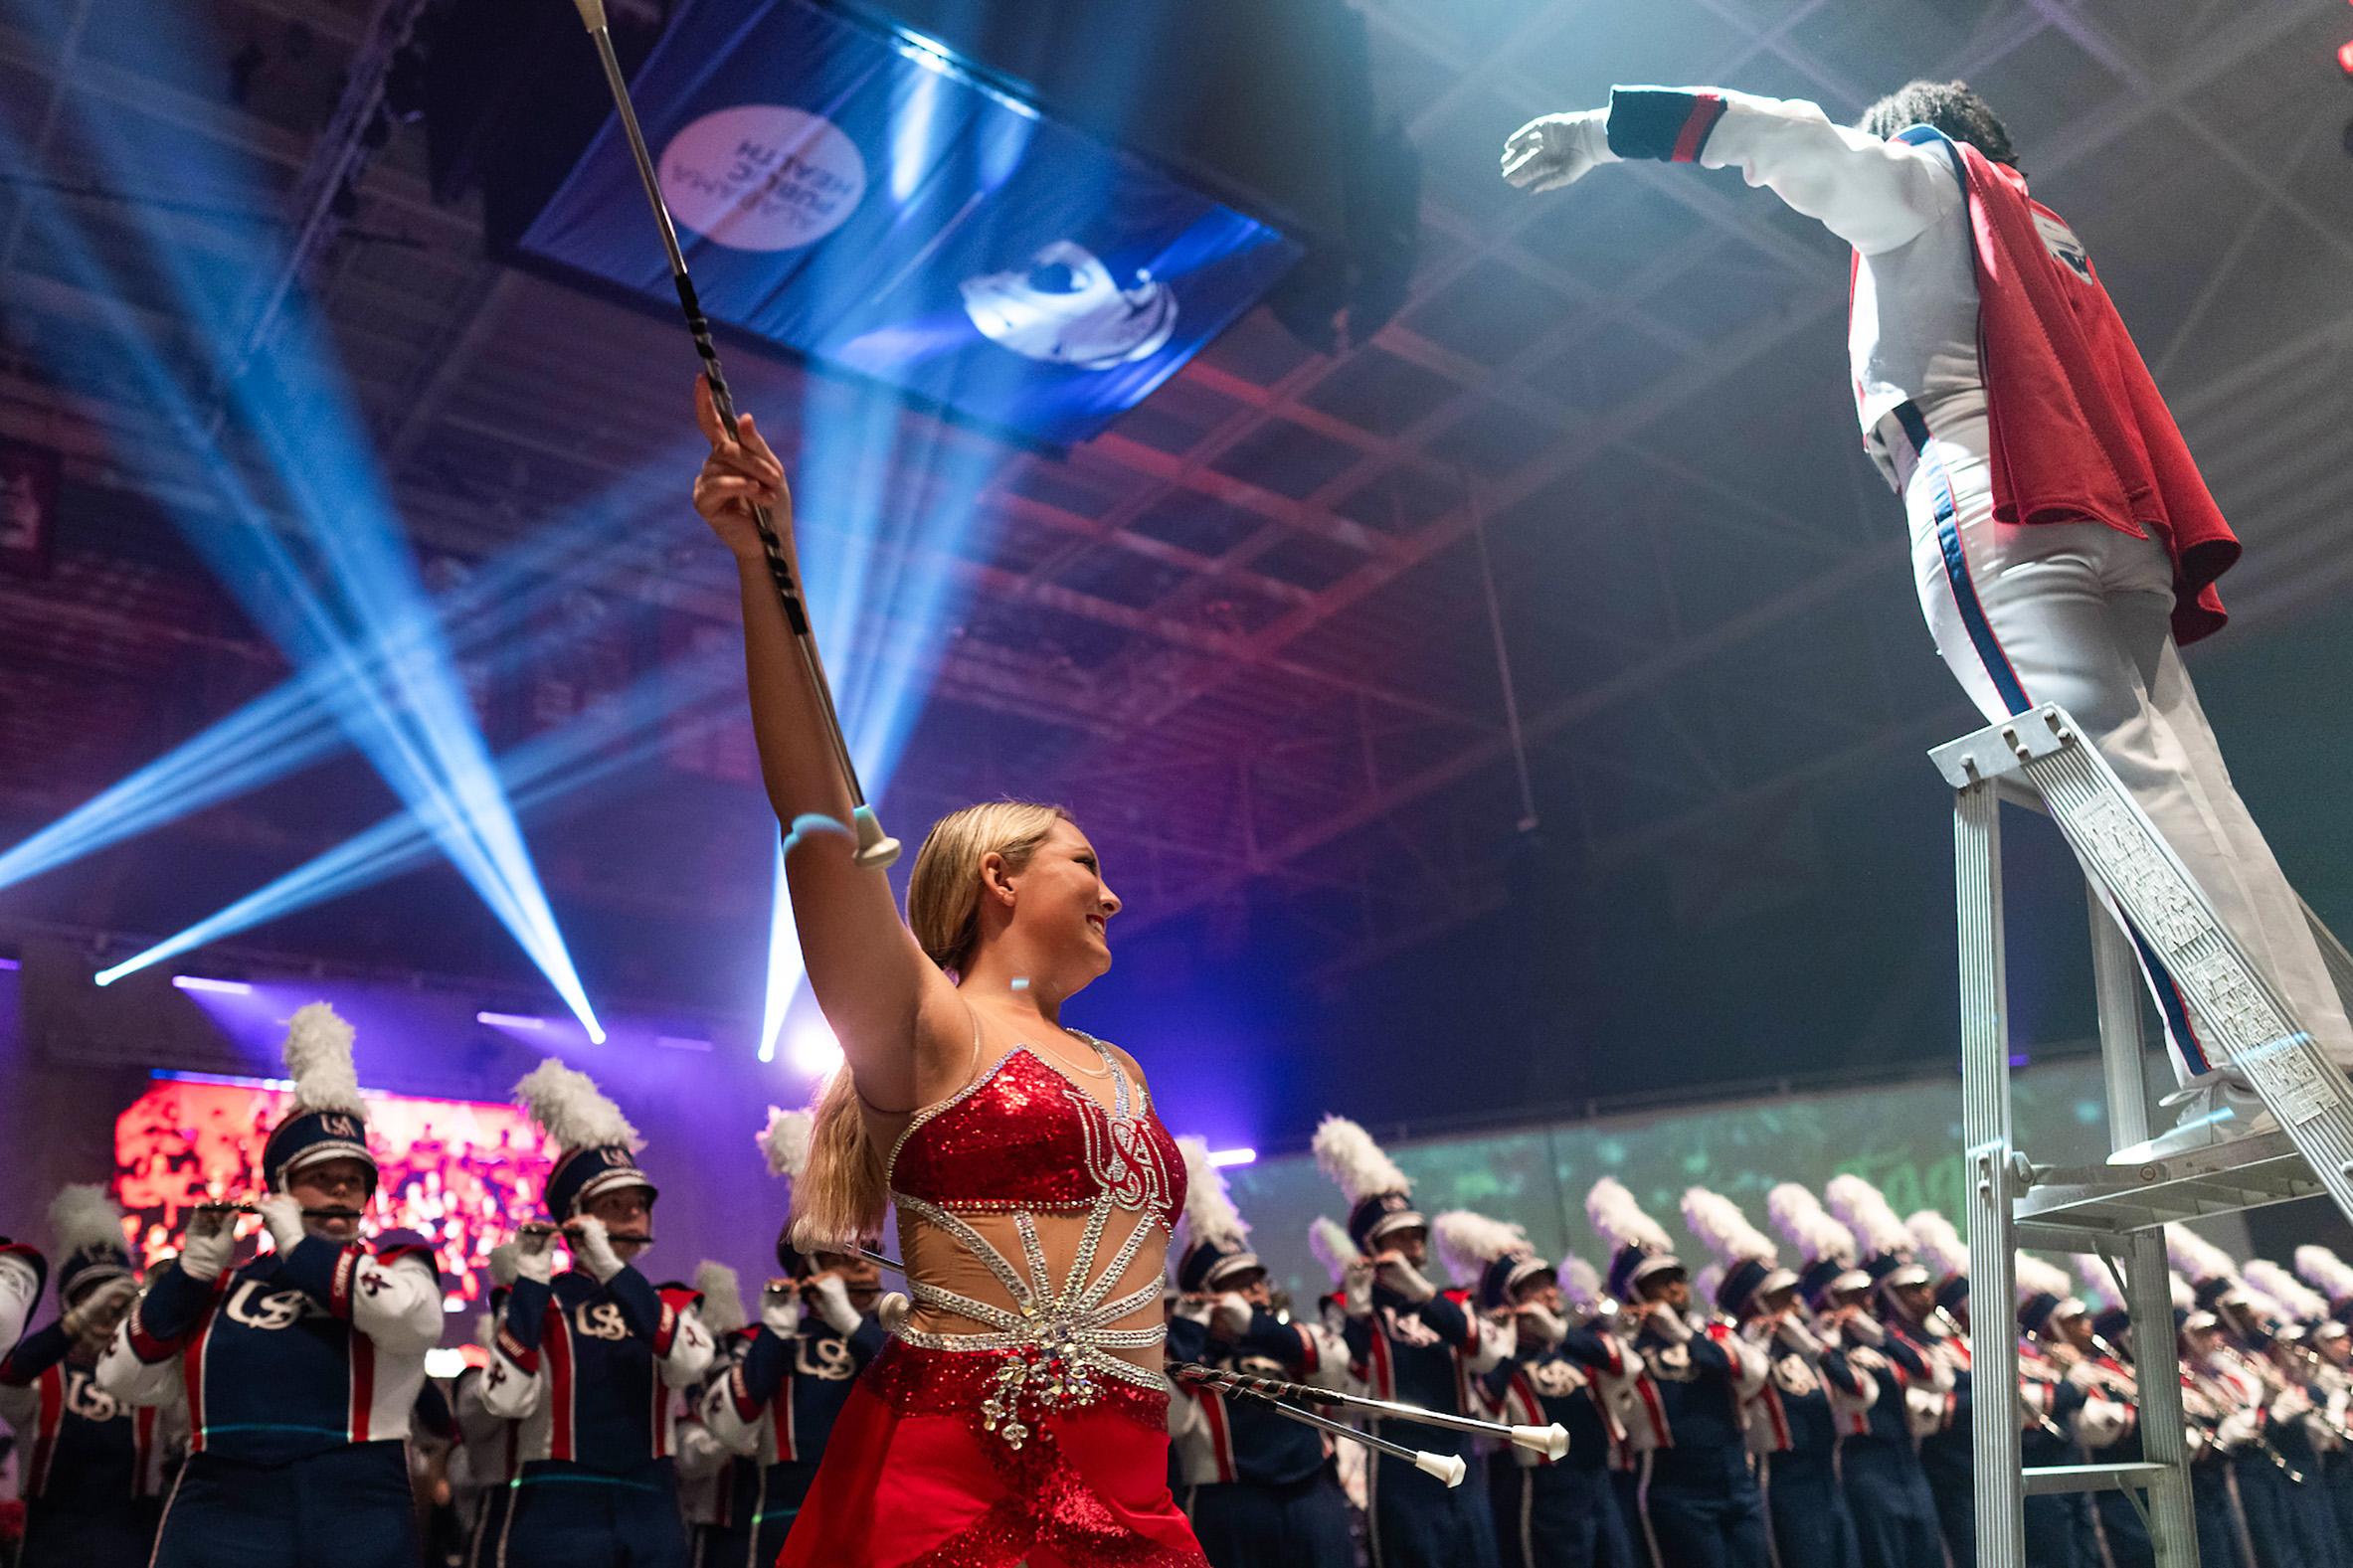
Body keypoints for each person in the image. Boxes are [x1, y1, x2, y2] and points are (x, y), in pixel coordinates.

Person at [1500, 78, 2351, 1162]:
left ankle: (2247, 1072)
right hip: (2109, 510)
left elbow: (1794, 141)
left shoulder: (1927, 176)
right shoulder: (2045, 228)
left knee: (2115, 792)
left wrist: (1604, 131)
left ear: (1912, 133)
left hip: (1993, 493)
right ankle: (2311, 1044)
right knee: (2188, 781)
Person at [690, 379, 1205, 1566]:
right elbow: (814, 814)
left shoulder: (1116, 1063)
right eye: (1087, 863)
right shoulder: (927, 1026)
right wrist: (771, 572)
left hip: (1134, 1488)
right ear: (1000, 878)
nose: (1114, 892)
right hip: (960, 1487)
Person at [96, 1002, 444, 1568]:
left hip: (356, 1504)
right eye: (320, 1177)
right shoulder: (220, 1286)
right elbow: (122, 1378)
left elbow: (416, 1322)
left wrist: (301, 1248)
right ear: (280, 1185)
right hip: (221, 1502)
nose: (339, 1191)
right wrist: (190, 1273)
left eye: (353, 1180)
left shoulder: (397, 1264)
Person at [477, 1058, 715, 1567]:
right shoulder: (541, 1299)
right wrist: (532, 1282)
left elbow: (691, 1364)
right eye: (614, 1205)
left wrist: (608, 1264)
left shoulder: (671, 1304)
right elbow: (506, 1400)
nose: (633, 1214)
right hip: (560, 1502)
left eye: (638, 1203)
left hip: (651, 1499)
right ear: (576, 1218)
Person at [699, 1111, 888, 1566]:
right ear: (809, 1270)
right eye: (845, 1258)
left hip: (877, 1511)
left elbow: (914, 1401)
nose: (866, 1268)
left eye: (873, 1253)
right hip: (787, 1517)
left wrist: (854, 1327)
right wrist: (775, 1335)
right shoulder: (766, 1341)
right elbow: (727, 1426)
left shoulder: (894, 1338)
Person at [1316, 1116, 1505, 1568]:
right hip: (1399, 1458)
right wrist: (1360, 1310)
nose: (1411, 1247)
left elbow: (1487, 1358)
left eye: (1415, 1237)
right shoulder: (1349, 1306)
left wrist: (1425, 1296)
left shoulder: (1452, 1302)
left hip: (1462, 1449)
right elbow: (1350, 1382)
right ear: (1372, 1247)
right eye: (1397, 1238)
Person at [1169, 1137, 1355, 1568]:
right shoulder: (1187, 1351)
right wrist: (1190, 1326)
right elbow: (1173, 1419)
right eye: (1239, 1283)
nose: (1256, 1290)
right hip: (1232, 1507)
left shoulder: (1282, 1337)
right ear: (1206, 1294)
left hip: (1312, 1497)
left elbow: (1336, 1365)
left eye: (1258, 1280)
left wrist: (1255, 1325)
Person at [1436, 1209, 1637, 1568]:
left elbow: (1626, 1364)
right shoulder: (1497, 1357)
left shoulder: (1575, 1343)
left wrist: (1559, 1333)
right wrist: (1508, 1341)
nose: (1549, 1294)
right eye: (1533, 1288)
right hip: (1539, 1489)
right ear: (1509, 1300)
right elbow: (1483, 1411)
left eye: (1549, 1284)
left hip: (1596, 1479)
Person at [1588, 1177, 1769, 1568]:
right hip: (1675, 1487)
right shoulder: (1628, 1349)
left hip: (1736, 1477)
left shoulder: (1713, 1334)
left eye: (1677, 1278)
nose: (1674, 1288)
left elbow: (1750, 1373)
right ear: (1636, 1293)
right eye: (1659, 1282)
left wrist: (1682, 1334)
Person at [1686, 1186, 1862, 1568]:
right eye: (1782, 1297)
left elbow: (1858, 1390)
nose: (1795, 1304)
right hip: (1779, 1480)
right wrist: (1758, 1342)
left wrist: (1813, 1346)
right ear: (1755, 1304)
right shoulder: (1733, 1344)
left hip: (1825, 1473)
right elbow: (1744, 1384)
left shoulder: (1804, 1342)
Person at [0, 1185, 175, 1566]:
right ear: (70, 1307)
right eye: (91, 1299)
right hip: (50, 1552)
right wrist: (78, 1322)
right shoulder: (40, 1379)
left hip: (132, 1550)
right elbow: (9, 1374)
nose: (106, 1314)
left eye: (116, 1302)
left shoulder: (153, 1381)